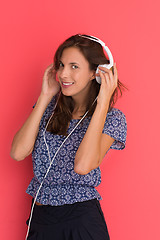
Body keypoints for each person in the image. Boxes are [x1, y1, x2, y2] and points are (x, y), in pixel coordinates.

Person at [10, 33, 127, 240]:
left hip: (80, 220)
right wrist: (45, 97)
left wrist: (101, 103)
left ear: (96, 73)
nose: (63, 74)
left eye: (74, 66)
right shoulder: (50, 108)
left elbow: (83, 165)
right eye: (61, 65)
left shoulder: (112, 118)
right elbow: (18, 153)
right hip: (40, 217)